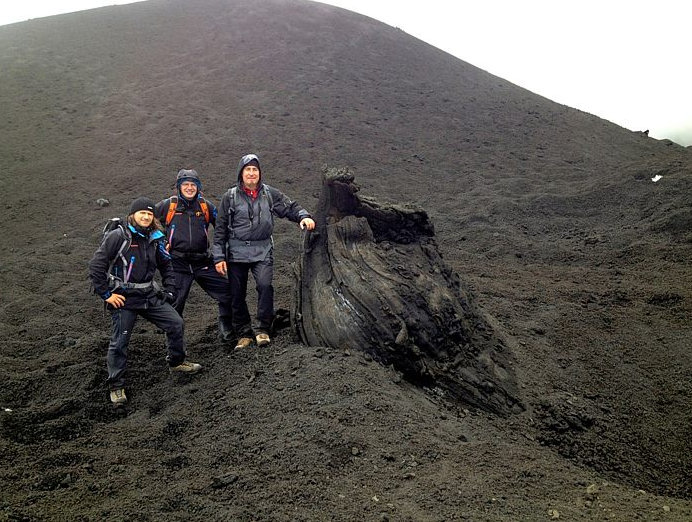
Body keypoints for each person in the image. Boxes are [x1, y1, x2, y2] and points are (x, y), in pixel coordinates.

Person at [89, 196, 202, 406]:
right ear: (133, 215)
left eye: (150, 214)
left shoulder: (155, 238)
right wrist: (106, 295)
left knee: (176, 323)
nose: (146, 216)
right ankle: (116, 386)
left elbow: (166, 265)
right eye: (142, 213)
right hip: (123, 297)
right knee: (120, 341)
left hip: (148, 294)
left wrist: (170, 288)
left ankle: (176, 362)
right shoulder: (118, 237)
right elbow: (96, 266)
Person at [212, 153, 315, 350]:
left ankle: (262, 329)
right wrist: (218, 257)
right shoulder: (230, 197)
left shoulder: (269, 194)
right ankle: (243, 333)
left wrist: (303, 216)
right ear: (241, 173)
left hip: (262, 249)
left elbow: (289, 207)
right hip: (236, 252)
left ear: (259, 173)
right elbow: (220, 230)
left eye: (255, 170)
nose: (251, 173)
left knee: (265, 286)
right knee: (236, 293)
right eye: (247, 170)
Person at [156, 169, 234, 342]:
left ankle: (227, 331)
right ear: (179, 187)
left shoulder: (206, 206)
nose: (190, 188)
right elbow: (148, 221)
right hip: (177, 263)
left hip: (202, 261)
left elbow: (222, 227)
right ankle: (175, 348)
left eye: (193, 184)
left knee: (227, 291)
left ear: (198, 187)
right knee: (175, 303)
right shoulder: (169, 205)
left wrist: (222, 253)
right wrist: (160, 240)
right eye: (186, 184)